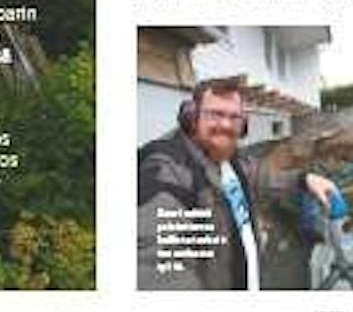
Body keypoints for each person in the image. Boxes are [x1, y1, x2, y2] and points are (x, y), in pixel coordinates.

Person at [137, 78, 337, 290]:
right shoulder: (167, 169)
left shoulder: (231, 159)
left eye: (234, 117)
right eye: (215, 114)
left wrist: (304, 180)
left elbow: (259, 175)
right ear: (191, 118)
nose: (226, 125)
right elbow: (157, 263)